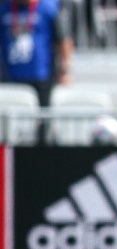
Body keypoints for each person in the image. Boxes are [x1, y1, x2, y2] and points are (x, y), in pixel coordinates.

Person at [0, 0, 74, 143]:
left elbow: (64, 40)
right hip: (10, 77)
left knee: (42, 126)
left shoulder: (48, 8)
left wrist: (65, 70)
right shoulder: (4, 9)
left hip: (41, 78)